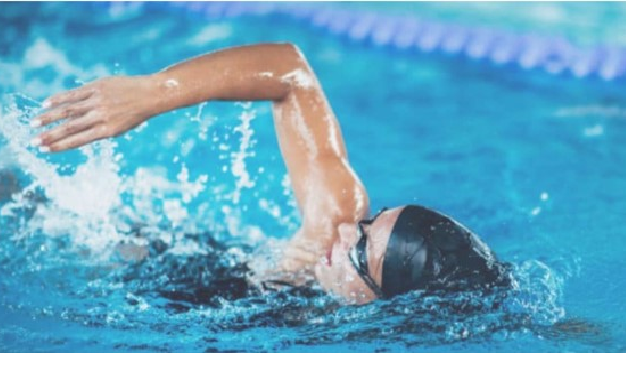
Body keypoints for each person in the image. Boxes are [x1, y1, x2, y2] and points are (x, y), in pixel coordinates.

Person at [30, 43, 510, 305]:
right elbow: (290, 71)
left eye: (362, 249)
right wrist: (152, 93)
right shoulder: (332, 227)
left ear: (386, 303)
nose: (346, 230)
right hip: (139, 260)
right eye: (370, 222)